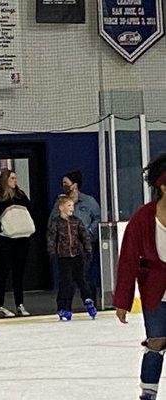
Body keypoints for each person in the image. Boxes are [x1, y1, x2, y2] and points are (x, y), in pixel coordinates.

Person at [113, 153, 166, 400]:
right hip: (154, 291)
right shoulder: (143, 218)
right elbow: (128, 261)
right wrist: (123, 301)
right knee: (156, 341)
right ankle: (148, 392)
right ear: (161, 186)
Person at [0, 169, 35, 318]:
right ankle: (0, 305)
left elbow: (30, 211)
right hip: (5, 241)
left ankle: (20, 303)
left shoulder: (21, 195)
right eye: (12, 178)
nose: (15, 181)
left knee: (18, 273)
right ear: (5, 180)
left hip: (22, 239)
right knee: (3, 272)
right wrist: (2, 228)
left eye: (15, 178)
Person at [50, 170, 101, 302]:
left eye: (66, 183)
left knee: (83, 276)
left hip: (83, 246)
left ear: (75, 185)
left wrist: (89, 232)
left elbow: (97, 218)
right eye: (63, 183)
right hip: (65, 248)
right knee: (67, 278)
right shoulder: (59, 203)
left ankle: (90, 302)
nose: (64, 186)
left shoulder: (89, 201)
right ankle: (64, 306)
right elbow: (52, 222)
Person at [47, 195, 97, 321]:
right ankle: (64, 307)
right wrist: (52, 252)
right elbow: (51, 238)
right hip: (63, 257)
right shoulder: (56, 222)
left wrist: (88, 250)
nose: (72, 209)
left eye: (72, 206)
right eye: (69, 206)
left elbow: (84, 236)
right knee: (66, 283)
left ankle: (88, 299)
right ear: (61, 207)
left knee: (81, 279)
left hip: (77, 255)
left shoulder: (76, 221)